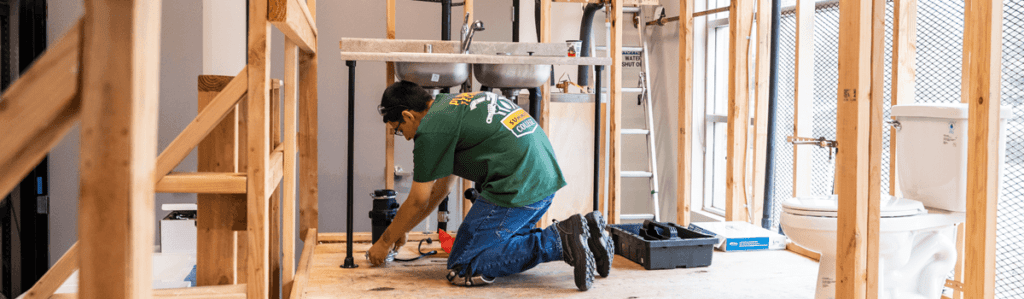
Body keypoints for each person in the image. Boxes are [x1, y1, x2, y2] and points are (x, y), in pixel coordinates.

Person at [367, 81, 615, 291]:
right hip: (542, 181)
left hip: (516, 188)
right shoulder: (451, 107)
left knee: (462, 267)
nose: (405, 137)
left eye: (398, 130)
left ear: (409, 116)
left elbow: (418, 199)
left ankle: (560, 240)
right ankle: (591, 236)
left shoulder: (430, 131)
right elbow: (440, 190)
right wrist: (403, 228)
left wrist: (385, 241)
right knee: (497, 245)